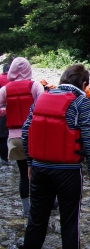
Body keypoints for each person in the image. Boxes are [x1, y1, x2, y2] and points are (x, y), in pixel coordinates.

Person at [21, 64, 90, 249]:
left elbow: (26, 131)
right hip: (68, 171)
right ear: (84, 83)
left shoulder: (41, 97)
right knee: (69, 225)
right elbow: (87, 138)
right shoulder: (81, 102)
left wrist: (30, 163)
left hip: (39, 168)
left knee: (36, 221)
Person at [0, 57, 44, 216]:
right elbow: (43, 107)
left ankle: (26, 209)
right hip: (33, 136)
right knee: (39, 171)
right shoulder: (35, 86)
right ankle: (45, 204)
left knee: (23, 173)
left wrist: (5, 111)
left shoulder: (5, 89)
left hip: (14, 138)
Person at [0, 64, 10, 165]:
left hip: (2, 109)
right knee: (4, 136)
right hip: (9, 110)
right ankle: (5, 158)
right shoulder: (14, 80)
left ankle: (4, 159)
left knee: (2, 135)